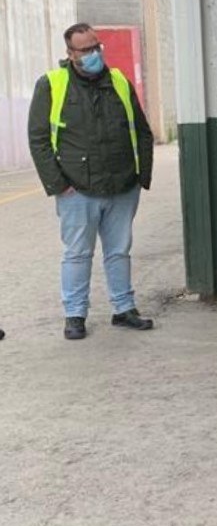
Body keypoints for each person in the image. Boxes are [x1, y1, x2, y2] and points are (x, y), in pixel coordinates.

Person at [27, 22, 156, 340]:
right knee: (77, 254)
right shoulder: (51, 84)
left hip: (122, 184)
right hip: (76, 189)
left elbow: (141, 129)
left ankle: (124, 308)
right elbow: (39, 139)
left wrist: (142, 175)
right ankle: (74, 315)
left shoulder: (119, 82)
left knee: (119, 251)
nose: (94, 53)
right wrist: (58, 185)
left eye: (96, 46)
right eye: (86, 49)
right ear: (71, 54)